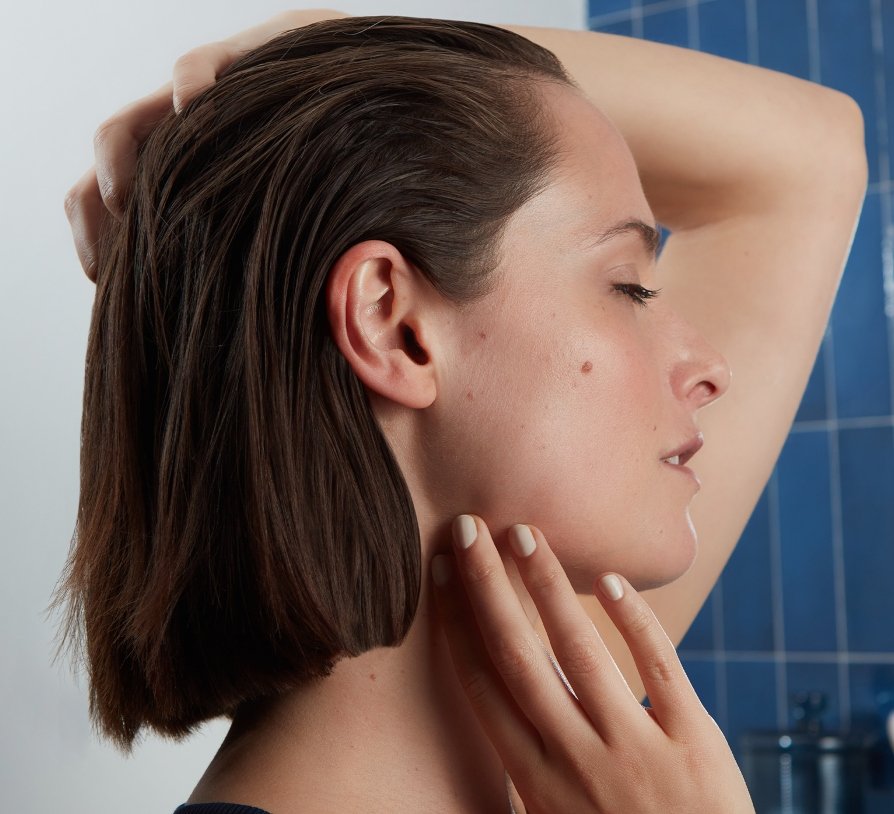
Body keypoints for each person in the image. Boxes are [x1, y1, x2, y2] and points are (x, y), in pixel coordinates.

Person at [56, 9, 867, 814]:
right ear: (395, 326)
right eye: (627, 286)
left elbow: (813, 156)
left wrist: (329, 43)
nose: (711, 369)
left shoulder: (559, 729)